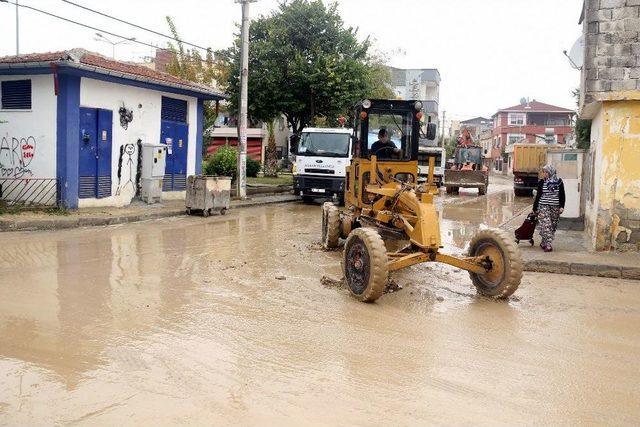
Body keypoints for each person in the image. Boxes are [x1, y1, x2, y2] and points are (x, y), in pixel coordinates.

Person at [533, 164, 566, 252]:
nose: (544, 174)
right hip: (543, 206)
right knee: (546, 224)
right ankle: (548, 245)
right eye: (544, 172)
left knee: (552, 226)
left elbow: (562, 195)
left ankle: (544, 242)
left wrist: (562, 206)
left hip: (555, 206)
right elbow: (538, 195)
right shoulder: (541, 182)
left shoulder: (559, 182)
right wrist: (535, 208)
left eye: (546, 172)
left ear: (551, 172)